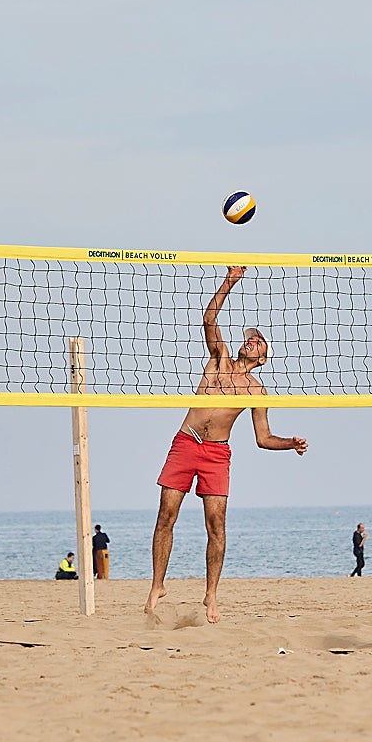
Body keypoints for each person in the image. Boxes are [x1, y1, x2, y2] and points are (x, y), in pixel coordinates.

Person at [147, 265, 308, 623]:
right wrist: (230, 281)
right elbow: (209, 317)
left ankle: (211, 596)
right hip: (186, 443)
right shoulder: (218, 357)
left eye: (259, 341)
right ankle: (157, 585)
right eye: (250, 337)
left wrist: (290, 443)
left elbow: (263, 438)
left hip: (217, 454)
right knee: (166, 516)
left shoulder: (256, 390)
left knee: (216, 525)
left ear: (263, 358)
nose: (252, 340)